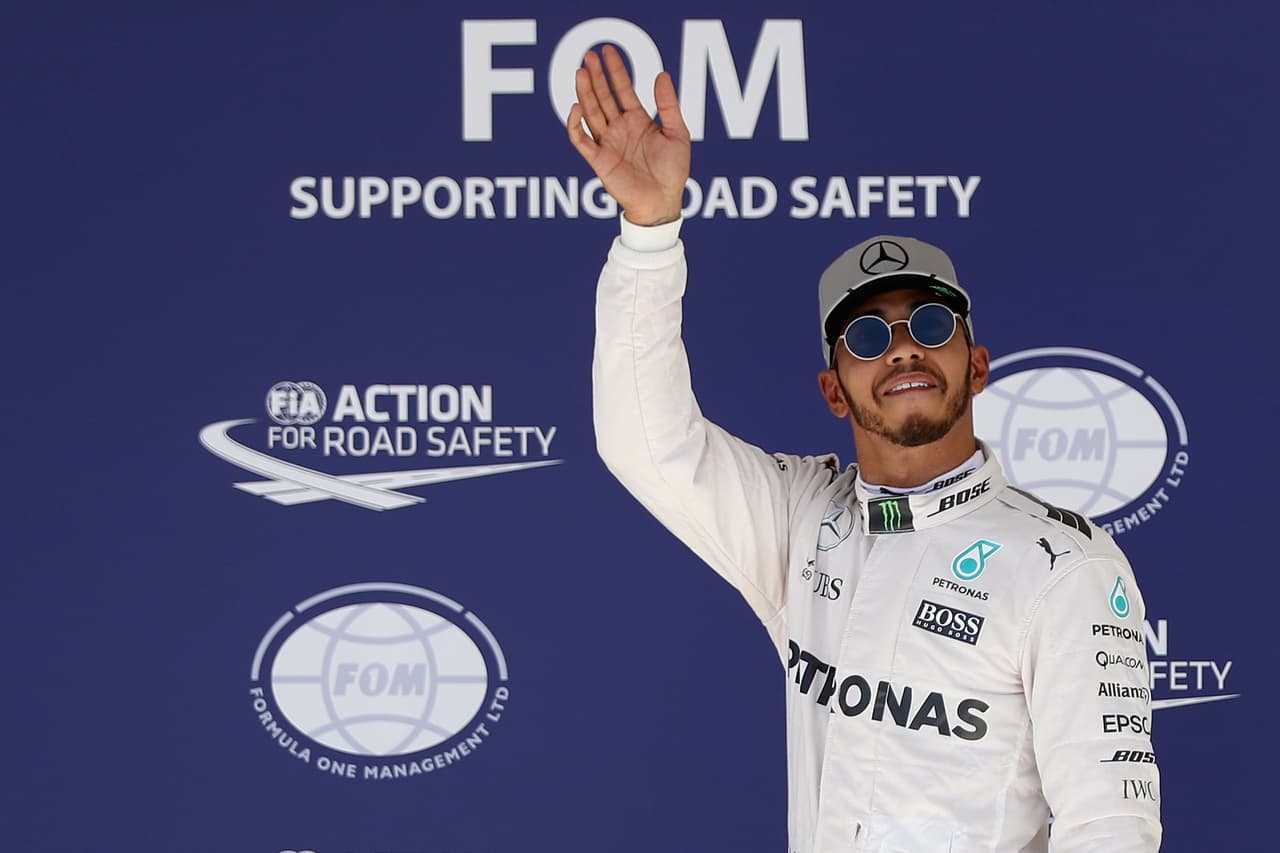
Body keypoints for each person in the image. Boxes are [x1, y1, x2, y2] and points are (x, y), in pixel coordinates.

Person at [568, 46, 1161, 852]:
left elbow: (1111, 829)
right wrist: (649, 232)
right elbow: (646, 441)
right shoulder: (802, 516)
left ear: (976, 365)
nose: (903, 349)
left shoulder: (1064, 566)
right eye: (870, 335)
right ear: (833, 389)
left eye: (929, 325)